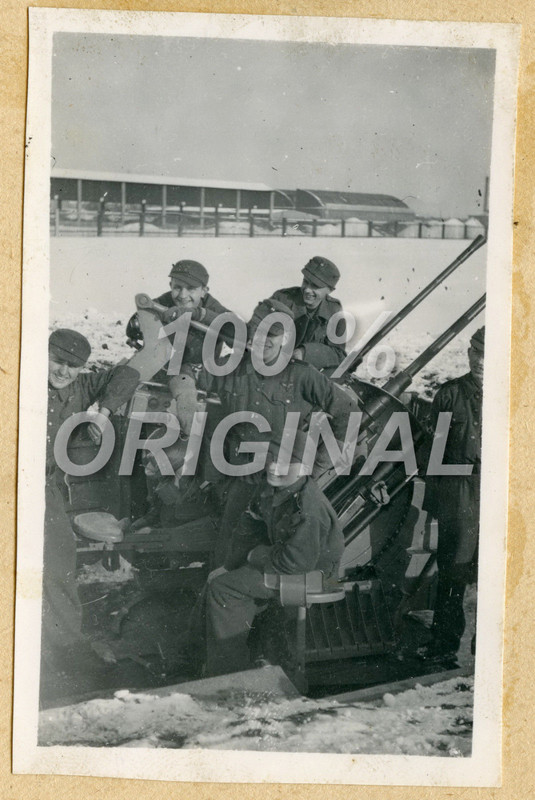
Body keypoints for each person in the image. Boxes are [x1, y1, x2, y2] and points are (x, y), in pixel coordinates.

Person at [194, 298, 359, 565]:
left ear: (285, 339)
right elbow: (192, 380)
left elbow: (348, 412)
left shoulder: (303, 376)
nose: (263, 339)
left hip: (284, 493)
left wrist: (319, 468)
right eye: (258, 330)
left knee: (279, 564)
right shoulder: (229, 368)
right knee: (226, 558)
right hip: (242, 483)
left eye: (272, 334)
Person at [42, 329, 141, 690]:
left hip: (42, 485)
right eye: (57, 361)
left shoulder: (81, 388)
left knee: (57, 564)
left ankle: (66, 652)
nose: (63, 371)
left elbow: (127, 374)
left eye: (72, 366)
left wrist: (103, 410)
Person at [204, 431, 345, 676]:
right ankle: (199, 659)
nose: (273, 467)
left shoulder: (309, 507)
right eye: (270, 460)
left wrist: (253, 556)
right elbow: (248, 524)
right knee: (216, 580)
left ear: (303, 468)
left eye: (282, 462)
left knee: (224, 589)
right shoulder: (274, 488)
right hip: (283, 563)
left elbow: (296, 562)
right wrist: (229, 564)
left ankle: (229, 675)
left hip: (312, 574)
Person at [419, 326, 484, 667]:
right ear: (469, 353)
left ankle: (489, 649)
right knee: (452, 573)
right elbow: (434, 452)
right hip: (458, 495)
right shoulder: (449, 395)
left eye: (488, 354)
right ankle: (444, 644)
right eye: (476, 353)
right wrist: (433, 505)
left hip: (498, 493)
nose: (481, 361)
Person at [126, 259, 229, 435]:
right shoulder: (161, 303)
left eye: (191, 289)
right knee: (123, 377)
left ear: (204, 291)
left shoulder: (213, 306)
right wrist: (139, 321)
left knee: (186, 397)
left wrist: (199, 314)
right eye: (177, 287)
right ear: (170, 285)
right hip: (165, 365)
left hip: (197, 371)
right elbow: (135, 328)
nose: (183, 295)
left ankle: (188, 439)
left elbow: (235, 329)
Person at [269, 255, 347, 372]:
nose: (307, 290)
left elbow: (339, 354)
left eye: (315, 286)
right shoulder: (282, 299)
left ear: (330, 290)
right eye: (306, 282)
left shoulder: (334, 312)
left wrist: (306, 352)